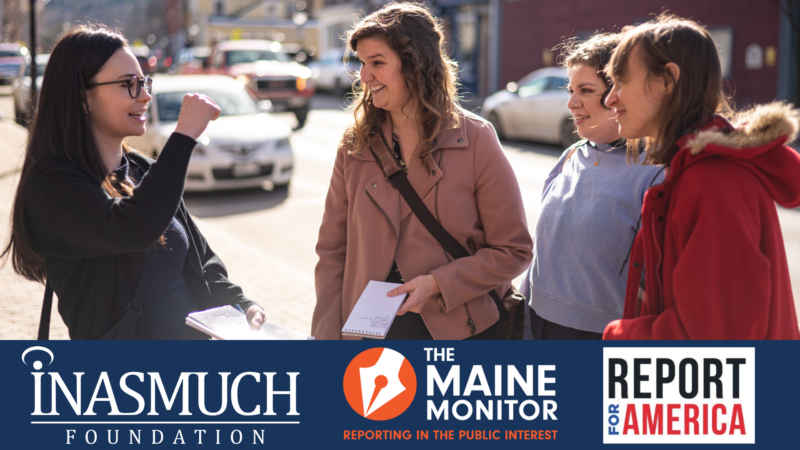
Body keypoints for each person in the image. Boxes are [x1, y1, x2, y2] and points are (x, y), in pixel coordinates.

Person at [0, 24, 266, 339]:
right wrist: (182, 138)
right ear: (82, 97)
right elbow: (134, 228)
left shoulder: (143, 169)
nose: (145, 96)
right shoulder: (52, 186)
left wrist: (239, 303)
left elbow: (202, 260)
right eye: (128, 84)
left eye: (143, 82)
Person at [311, 3, 532, 340]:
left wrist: (438, 284)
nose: (364, 76)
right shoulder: (355, 146)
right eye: (362, 63)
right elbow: (332, 254)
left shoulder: (475, 139)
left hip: (461, 330)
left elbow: (513, 251)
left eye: (378, 63)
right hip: (370, 336)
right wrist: (325, 337)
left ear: (415, 65)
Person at [602, 15, 800, 339]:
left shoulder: (710, 186)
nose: (610, 98)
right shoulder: (699, 174)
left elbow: (715, 342)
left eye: (621, 81)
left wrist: (619, 337)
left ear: (668, 80)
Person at [519, 33, 665, 340]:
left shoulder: (656, 172)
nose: (572, 103)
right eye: (571, 90)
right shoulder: (570, 156)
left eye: (586, 90)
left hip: (604, 337)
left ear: (621, 93)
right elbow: (543, 257)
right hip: (540, 325)